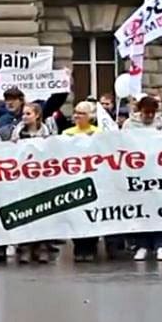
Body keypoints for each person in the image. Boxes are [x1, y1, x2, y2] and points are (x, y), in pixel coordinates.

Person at [122, 95, 162, 262]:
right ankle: (142, 245)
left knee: (159, 208)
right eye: (146, 113)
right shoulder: (129, 125)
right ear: (139, 111)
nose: (149, 116)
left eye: (152, 113)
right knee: (141, 210)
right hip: (138, 172)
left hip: (158, 172)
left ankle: (160, 245)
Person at [9, 102, 53, 264]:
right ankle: (25, 246)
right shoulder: (17, 133)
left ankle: (41, 246)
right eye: (23, 114)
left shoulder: (47, 134)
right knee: (25, 211)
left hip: (41, 179)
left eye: (28, 114)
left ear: (37, 115)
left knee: (42, 213)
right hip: (23, 179)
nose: (24, 117)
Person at [61, 101, 101, 262]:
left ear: (90, 116)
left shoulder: (99, 133)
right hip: (73, 179)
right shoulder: (67, 133)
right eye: (76, 112)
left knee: (92, 214)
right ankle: (78, 247)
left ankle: (90, 246)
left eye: (82, 113)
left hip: (94, 179)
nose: (77, 116)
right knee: (76, 215)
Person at [0, 87, 68, 141]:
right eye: (7, 99)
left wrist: (64, 84)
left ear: (21, 101)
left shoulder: (33, 112)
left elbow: (54, 102)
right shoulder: (1, 115)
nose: (9, 102)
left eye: (13, 99)